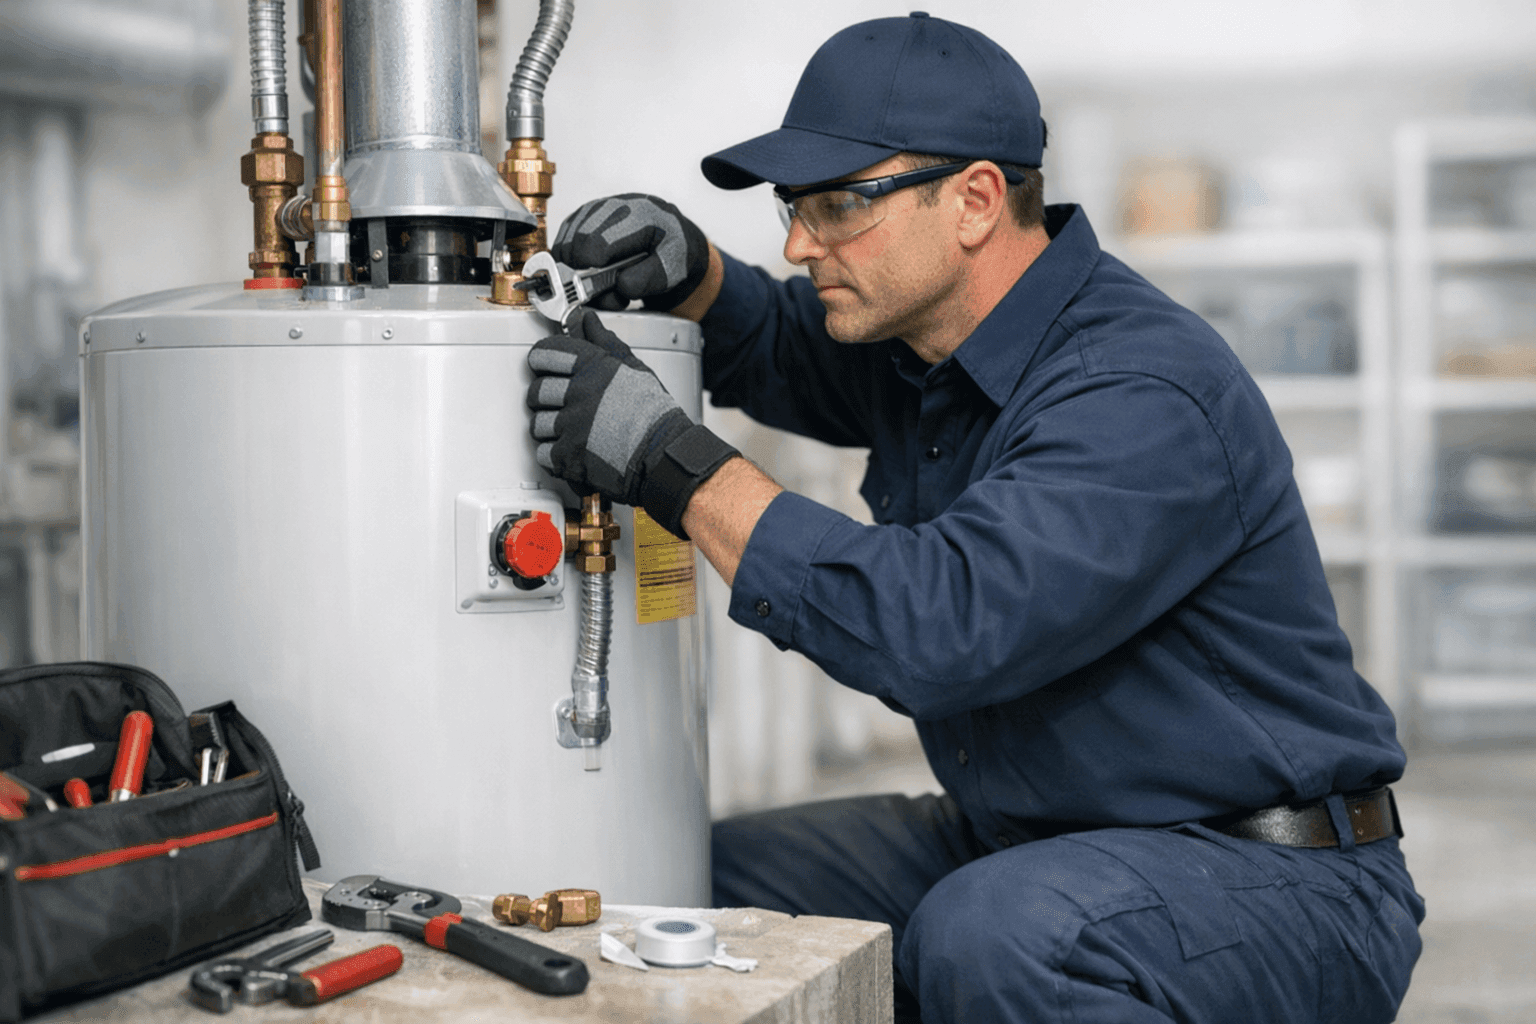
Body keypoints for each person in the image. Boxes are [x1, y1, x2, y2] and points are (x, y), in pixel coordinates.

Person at [524, 12, 1424, 1023]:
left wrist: (673, 465)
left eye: (835, 206)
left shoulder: (1137, 390)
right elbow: (785, 343)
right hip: (1051, 838)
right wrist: (695, 274)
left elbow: (940, 627)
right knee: (709, 878)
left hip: (1273, 881)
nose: (795, 240)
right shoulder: (926, 349)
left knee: (999, 936)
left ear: (976, 200)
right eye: (792, 205)